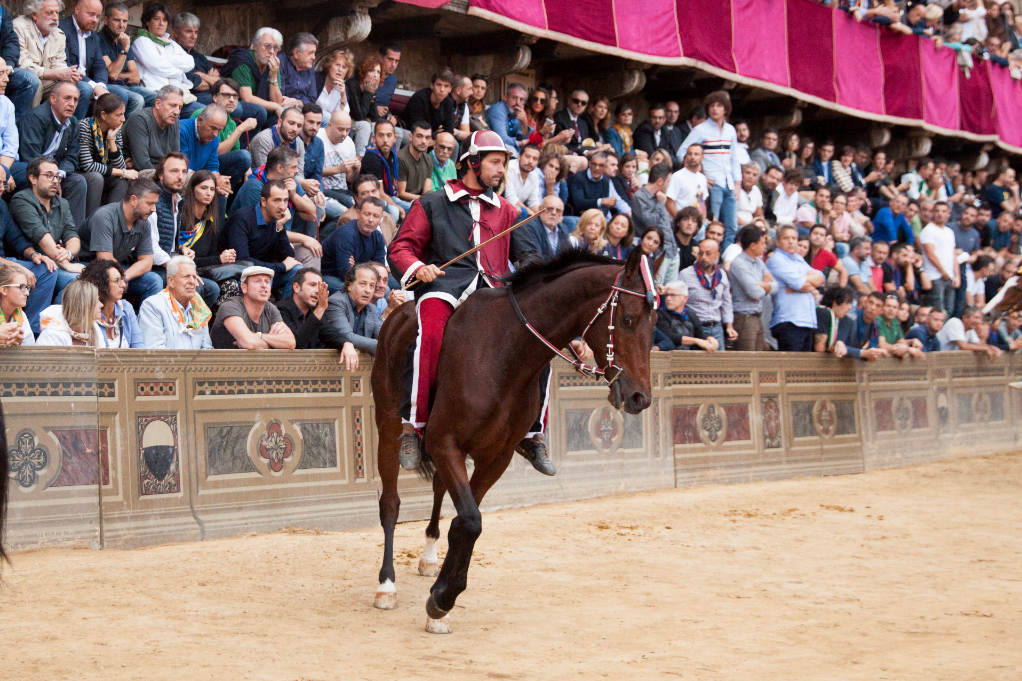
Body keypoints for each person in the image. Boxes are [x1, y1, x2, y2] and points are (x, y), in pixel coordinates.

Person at [387, 129, 551, 474]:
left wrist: (534, 273)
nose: (500, 170)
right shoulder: (431, 202)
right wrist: (420, 268)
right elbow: (401, 249)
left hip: (493, 294)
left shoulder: (506, 210)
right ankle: (412, 426)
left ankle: (534, 433)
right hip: (446, 290)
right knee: (429, 332)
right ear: (472, 163)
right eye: (494, 162)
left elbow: (528, 256)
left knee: (539, 338)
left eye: (504, 164)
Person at [231, 145, 322, 266]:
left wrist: (294, 195)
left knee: (312, 252)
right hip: (259, 245)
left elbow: (312, 214)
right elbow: (262, 232)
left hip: (282, 239)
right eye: (294, 167)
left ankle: (309, 284)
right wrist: (304, 238)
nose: (297, 171)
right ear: (280, 168)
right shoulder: (254, 187)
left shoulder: (290, 181)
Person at [17, 82, 88, 232]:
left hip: (57, 172)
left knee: (79, 181)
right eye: (67, 98)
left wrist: (58, 176)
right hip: (35, 171)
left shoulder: (73, 123)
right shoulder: (35, 118)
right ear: (53, 99)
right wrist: (51, 177)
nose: (72, 104)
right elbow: (29, 157)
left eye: (75, 100)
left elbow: (72, 157)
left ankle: (73, 237)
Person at [10, 156, 81, 299]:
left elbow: (72, 236)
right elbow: (40, 235)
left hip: (57, 262)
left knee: (96, 275)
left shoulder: (62, 203)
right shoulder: (21, 200)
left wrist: (68, 254)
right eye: (49, 176)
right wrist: (67, 265)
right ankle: (50, 320)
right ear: (33, 178)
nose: (55, 181)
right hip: (33, 263)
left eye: (57, 176)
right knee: (76, 282)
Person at [679, 91, 741, 249]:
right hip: (712, 184)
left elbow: (734, 157)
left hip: (729, 184)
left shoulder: (731, 130)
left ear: (725, 109)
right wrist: (699, 175)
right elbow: (682, 153)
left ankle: (723, 258)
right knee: (712, 225)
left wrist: (738, 182)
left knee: (731, 227)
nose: (715, 109)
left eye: (719, 106)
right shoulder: (701, 130)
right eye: (712, 106)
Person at [83, 177, 161, 301]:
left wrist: (125, 276)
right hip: (87, 265)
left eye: (155, 204)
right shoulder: (105, 216)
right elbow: (104, 259)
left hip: (118, 270)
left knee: (154, 280)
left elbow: (147, 262)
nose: (154, 209)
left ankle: (146, 320)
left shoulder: (144, 222)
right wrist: (120, 277)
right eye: (150, 203)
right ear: (134, 200)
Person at [222, 179, 303, 295]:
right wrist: (281, 266)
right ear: (263, 202)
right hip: (239, 276)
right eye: (277, 200)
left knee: (297, 271)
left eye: (285, 200)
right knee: (264, 279)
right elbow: (243, 261)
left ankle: (283, 312)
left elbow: (289, 257)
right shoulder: (242, 218)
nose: (282, 206)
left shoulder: (277, 220)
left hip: (265, 272)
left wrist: (280, 228)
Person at [57, 0, 124, 120]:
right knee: (85, 89)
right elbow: (68, 66)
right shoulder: (62, 29)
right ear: (77, 10)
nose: (95, 20)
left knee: (121, 93)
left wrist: (101, 85)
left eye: (98, 16)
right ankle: (76, 131)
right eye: (91, 14)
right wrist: (94, 86)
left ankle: (107, 136)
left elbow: (100, 66)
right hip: (67, 81)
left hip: (89, 83)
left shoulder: (94, 37)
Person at [178, 169, 241, 293]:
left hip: (202, 271)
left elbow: (209, 259)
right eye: (203, 188)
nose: (209, 193)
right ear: (192, 189)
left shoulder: (210, 221)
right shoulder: (181, 215)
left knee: (232, 284)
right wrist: (219, 259)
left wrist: (226, 257)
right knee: (212, 287)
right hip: (181, 270)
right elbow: (181, 257)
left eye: (212, 189)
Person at [222, 27, 302, 125]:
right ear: (255, 46)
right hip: (237, 104)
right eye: (267, 46)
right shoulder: (243, 61)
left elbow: (277, 101)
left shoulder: (273, 65)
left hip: (263, 107)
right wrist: (275, 107)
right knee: (261, 111)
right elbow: (247, 98)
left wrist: (273, 77)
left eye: (275, 47)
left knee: (286, 119)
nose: (272, 51)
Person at [128, 2, 196, 115]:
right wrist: (179, 71)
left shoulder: (169, 42)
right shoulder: (141, 40)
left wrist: (164, 57)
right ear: (147, 21)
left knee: (202, 112)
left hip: (179, 95)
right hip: (156, 94)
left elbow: (190, 62)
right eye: (156, 19)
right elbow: (157, 66)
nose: (161, 23)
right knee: (173, 114)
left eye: (164, 20)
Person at [189, 78, 257, 190]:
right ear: (215, 97)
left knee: (252, 173)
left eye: (235, 96)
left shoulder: (231, 123)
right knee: (244, 156)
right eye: (226, 95)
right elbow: (214, 152)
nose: (231, 100)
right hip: (199, 165)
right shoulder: (203, 115)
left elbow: (235, 152)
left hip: (216, 166)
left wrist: (247, 167)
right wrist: (240, 129)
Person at [0, 203, 57, 334]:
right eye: (1, 183)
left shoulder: (2, 204)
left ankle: (32, 330)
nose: (3, 188)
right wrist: (18, 267)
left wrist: (34, 254)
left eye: (4, 183)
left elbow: (16, 237)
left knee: (46, 270)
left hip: (4, 262)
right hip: (4, 263)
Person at [210, 265, 295, 349]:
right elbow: (249, 343)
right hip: (223, 362)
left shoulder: (270, 308)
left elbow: (291, 342)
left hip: (255, 362)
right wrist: (274, 344)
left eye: (267, 282)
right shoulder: (230, 306)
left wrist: (259, 336)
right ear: (244, 288)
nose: (264, 285)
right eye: (257, 281)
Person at [767, 224, 824, 351]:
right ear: (777, 242)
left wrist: (800, 281)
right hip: (789, 322)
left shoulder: (798, 259)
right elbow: (801, 284)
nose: (791, 241)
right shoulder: (776, 259)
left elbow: (821, 278)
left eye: (794, 238)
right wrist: (803, 283)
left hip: (806, 321)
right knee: (790, 368)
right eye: (786, 238)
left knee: (802, 370)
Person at [77, 92, 135, 216]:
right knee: (96, 178)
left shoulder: (115, 130)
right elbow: (88, 165)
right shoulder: (84, 127)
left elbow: (121, 167)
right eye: (119, 115)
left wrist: (111, 142)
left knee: (122, 180)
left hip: (103, 173)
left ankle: (111, 220)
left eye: (123, 114)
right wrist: (121, 172)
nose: (123, 119)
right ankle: (92, 222)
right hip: (81, 174)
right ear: (103, 115)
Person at [137, 254, 211, 349]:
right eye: (186, 276)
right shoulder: (152, 306)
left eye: (194, 277)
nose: (192, 282)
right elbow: (154, 353)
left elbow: (207, 350)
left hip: (196, 364)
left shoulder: (200, 307)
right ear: (171, 281)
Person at [320, 261, 384, 369]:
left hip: (356, 369)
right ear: (350, 285)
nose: (367, 290)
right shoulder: (336, 302)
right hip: (328, 367)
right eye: (363, 284)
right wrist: (384, 347)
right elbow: (347, 336)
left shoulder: (371, 308)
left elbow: (383, 334)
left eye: (372, 286)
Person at [677, 238, 734, 350]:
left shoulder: (721, 275)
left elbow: (726, 303)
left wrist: (729, 326)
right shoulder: (686, 274)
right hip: (695, 328)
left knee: (719, 365)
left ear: (717, 256)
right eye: (701, 253)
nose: (703, 257)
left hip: (716, 327)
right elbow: (679, 301)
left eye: (708, 254)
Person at [97, 3, 155, 111]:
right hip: (107, 86)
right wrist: (124, 49)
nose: (121, 25)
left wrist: (121, 75)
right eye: (117, 20)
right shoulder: (99, 39)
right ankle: (128, 128)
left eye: (124, 21)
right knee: (138, 99)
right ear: (105, 20)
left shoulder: (125, 40)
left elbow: (136, 77)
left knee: (157, 97)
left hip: (126, 87)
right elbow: (112, 74)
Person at [321, 196, 386, 291]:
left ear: (380, 219)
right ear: (358, 214)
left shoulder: (378, 237)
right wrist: (367, 266)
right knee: (358, 290)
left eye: (376, 216)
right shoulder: (347, 233)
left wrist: (356, 266)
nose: (371, 220)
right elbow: (345, 274)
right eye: (367, 214)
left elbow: (379, 270)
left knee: (386, 288)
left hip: (357, 277)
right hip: (329, 276)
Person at [12, 0, 68, 109]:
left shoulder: (59, 34)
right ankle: (29, 124)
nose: (56, 18)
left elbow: (59, 63)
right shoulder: (19, 27)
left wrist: (68, 74)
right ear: (34, 14)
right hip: (20, 78)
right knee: (34, 81)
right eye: (49, 13)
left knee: (72, 87)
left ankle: (61, 125)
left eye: (57, 12)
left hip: (45, 80)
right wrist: (55, 74)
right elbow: (22, 63)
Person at [729, 224, 776, 351]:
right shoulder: (738, 264)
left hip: (756, 317)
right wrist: (765, 286)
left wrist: (763, 284)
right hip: (744, 318)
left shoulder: (759, 262)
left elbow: (776, 286)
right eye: (762, 243)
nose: (765, 246)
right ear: (753, 245)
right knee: (747, 363)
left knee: (757, 363)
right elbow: (754, 292)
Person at [78, 257, 141, 347]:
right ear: (100, 284)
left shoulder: (126, 308)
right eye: (116, 281)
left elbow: (139, 348)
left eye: (122, 279)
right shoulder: (88, 311)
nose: (123, 285)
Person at [179, 103, 237, 201]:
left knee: (221, 191)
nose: (215, 134)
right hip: (181, 176)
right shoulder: (182, 130)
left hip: (197, 177)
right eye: (213, 128)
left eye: (219, 130)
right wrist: (213, 180)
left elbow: (213, 166)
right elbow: (182, 168)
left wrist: (220, 182)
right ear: (200, 120)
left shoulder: (214, 138)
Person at [122, 84, 182, 171]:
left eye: (180, 107)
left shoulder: (174, 122)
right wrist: (165, 178)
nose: (177, 112)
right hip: (140, 175)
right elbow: (142, 165)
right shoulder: (140, 119)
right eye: (173, 105)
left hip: (163, 173)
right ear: (158, 103)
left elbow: (175, 160)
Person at [359, 120, 405, 222]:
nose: (385, 140)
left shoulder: (392, 154)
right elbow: (380, 193)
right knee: (395, 210)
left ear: (395, 138)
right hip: (369, 198)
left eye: (389, 135)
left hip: (388, 195)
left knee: (411, 207)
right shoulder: (372, 157)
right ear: (374, 138)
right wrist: (398, 207)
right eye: (381, 135)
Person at [655, 279, 716, 351]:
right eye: (667, 295)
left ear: (685, 298)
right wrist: (696, 341)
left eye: (673, 295)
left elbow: (700, 333)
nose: (668, 299)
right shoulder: (660, 314)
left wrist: (708, 338)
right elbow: (669, 336)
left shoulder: (690, 313)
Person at [919, 201, 958, 313]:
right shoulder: (928, 230)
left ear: (948, 214)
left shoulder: (950, 232)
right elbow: (930, 254)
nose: (940, 214)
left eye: (943, 211)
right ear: (933, 213)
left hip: (949, 276)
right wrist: (943, 272)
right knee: (937, 310)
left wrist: (957, 275)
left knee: (949, 310)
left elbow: (953, 254)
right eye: (937, 211)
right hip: (935, 276)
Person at [318, 109, 359, 215]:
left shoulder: (349, 142)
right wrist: (338, 169)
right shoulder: (319, 138)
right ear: (330, 125)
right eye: (340, 129)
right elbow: (311, 170)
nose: (344, 134)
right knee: (351, 208)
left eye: (347, 130)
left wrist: (355, 171)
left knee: (363, 205)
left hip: (342, 189)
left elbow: (349, 179)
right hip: (323, 189)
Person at [568, 150, 631, 220]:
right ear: (589, 164)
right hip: (581, 219)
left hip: (600, 219)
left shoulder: (606, 181)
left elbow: (606, 208)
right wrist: (601, 201)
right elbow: (579, 203)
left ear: (605, 167)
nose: (597, 168)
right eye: (594, 164)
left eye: (601, 165)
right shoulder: (578, 178)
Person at [277, 266, 328, 349]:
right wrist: (320, 309)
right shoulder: (281, 310)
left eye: (319, 287)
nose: (318, 291)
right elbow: (296, 343)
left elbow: (332, 335)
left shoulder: (315, 311)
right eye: (312, 285)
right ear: (296, 287)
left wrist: (347, 344)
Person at [35, 278, 98, 345]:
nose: (101, 305)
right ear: (83, 307)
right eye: (96, 302)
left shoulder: (93, 326)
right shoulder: (51, 334)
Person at [629, 162, 672, 260]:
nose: (668, 185)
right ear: (660, 181)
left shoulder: (659, 196)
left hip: (671, 250)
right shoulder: (639, 197)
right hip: (654, 253)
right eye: (668, 181)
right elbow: (650, 222)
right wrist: (660, 204)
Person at [249, 106, 306, 178]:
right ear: (280, 122)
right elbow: (267, 174)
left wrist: (302, 183)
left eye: (299, 126)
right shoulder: (264, 139)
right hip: (262, 182)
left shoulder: (299, 142)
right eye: (291, 123)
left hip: (288, 181)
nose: (295, 129)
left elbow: (299, 173)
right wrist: (300, 184)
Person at [403, 69, 456, 136]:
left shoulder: (449, 102)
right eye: (439, 85)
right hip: (411, 134)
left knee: (454, 144)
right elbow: (417, 127)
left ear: (450, 89)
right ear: (432, 85)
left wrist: (436, 140)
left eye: (446, 86)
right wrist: (436, 136)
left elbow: (449, 130)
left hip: (432, 137)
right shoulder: (419, 98)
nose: (442, 90)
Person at [936, 305, 1001, 359]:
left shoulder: (970, 329)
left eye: (979, 318)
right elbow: (963, 346)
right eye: (976, 317)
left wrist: (992, 348)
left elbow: (978, 344)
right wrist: (986, 349)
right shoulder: (955, 322)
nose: (978, 321)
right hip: (937, 359)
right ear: (965, 317)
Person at [485, 81, 529, 156]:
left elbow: (522, 136)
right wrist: (521, 143)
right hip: (490, 148)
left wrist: (524, 122)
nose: (517, 102)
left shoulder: (517, 111)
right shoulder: (498, 110)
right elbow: (502, 139)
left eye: (521, 99)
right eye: (514, 98)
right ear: (506, 97)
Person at [665, 144, 708, 219]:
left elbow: (702, 203)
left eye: (696, 154)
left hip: (698, 223)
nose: (692, 157)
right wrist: (681, 221)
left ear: (702, 158)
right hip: (682, 222)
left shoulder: (702, 178)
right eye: (690, 154)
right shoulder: (678, 176)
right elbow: (669, 204)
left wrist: (702, 221)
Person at [397, 120, 434, 204]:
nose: (423, 141)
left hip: (419, 200)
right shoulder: (401, 157)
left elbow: (427, 191)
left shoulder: (428, 159)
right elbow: (401, 193)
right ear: (410, 137)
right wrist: (422, 199)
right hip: (402, 202)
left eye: (427, 137)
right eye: (419, 136)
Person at [278, 32, 318, 106]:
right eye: (310, 53)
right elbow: (280, 98)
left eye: (314, 53)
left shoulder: (309, 67)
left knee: (327, 117)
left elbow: (312, 100)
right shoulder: (281, 63)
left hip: (303, 109)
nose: (314, 57)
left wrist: (296, 103)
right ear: (296, 53)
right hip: (283, 110)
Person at [0, 264, 36, 345]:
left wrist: (18, 343)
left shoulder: (20, 314)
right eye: (22, 287)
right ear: (4, 290)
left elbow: (30, 349)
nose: (27, 293)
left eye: (27, 288)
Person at [504, 143, 541, 218]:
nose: (530, 161)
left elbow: (533, 201)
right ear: (519, 157)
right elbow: (510, 198)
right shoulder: (510, 168)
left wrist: (541, 214)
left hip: (519, 211)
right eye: (527, 157)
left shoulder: (534, 175)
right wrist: (531, 213)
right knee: (523, 212)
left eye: (534, 159)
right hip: (505, 209)